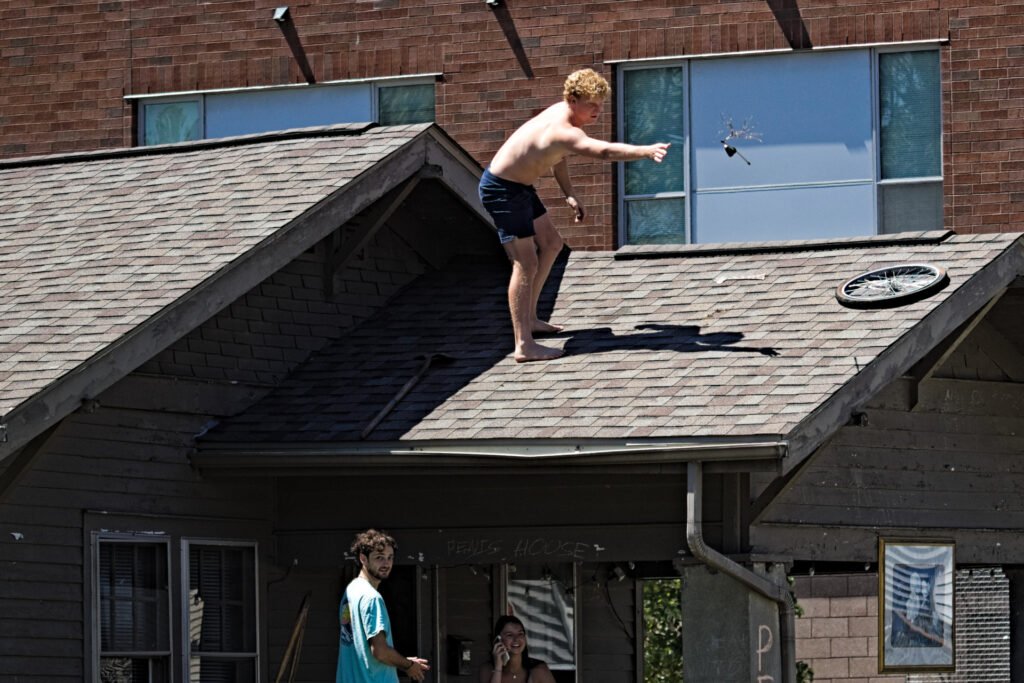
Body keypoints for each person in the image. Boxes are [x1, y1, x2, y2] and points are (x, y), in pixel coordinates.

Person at [478, 67, 671, 363]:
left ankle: (530, 319)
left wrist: (568, 192)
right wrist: (644, 151)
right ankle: (523, 345)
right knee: (525, 262)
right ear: (572, 100)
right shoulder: (564, 131)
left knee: (552, 243)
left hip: (519, 187)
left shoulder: (562, 117)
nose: (597, 110)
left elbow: (557, 157)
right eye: (591, 104)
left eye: (600, 104)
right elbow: (604, 152)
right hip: (502, 190)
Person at [337, 529, 430, 683]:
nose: (386, 563)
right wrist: (408, 665)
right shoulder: (372, 598)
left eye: (390, 557)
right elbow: (379, 651)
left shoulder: (351, 591)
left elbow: (364, 651)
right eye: (379, 558)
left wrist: (398, 660)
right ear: (363, 559)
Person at [478, 615, 556, 683]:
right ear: (498, 640)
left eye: (520, 634)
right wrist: (498, 666)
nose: (516, 639)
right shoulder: (487, 670)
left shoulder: (539, 670)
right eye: (509, 635)